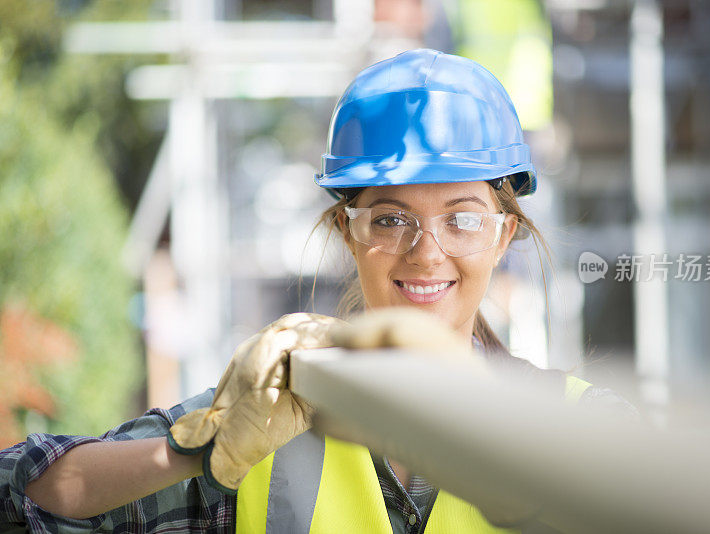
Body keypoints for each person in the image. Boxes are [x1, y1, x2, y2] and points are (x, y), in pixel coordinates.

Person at [0, 49, 635, 534]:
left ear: (504, 236)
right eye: (390, 218)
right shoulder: (268, 418)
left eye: (461, 217)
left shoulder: (583, 429)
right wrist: (194, 454)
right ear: (347, 232)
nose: (426, 252)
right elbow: (21, 496)